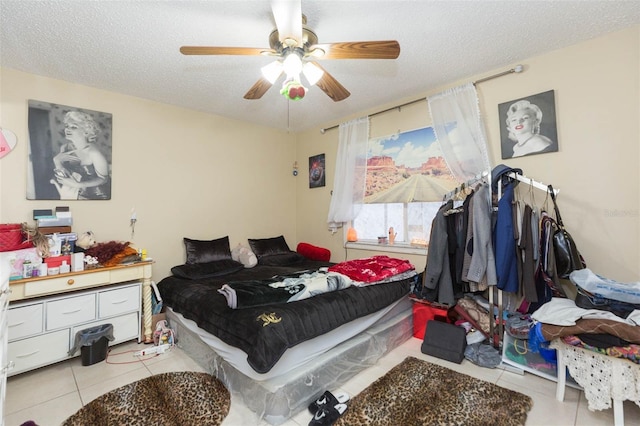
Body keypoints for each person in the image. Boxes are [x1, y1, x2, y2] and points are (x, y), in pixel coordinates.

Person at [50, 111, 110, 199]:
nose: (68, 129)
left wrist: (78, 185)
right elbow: (63, 178)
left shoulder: (94, 153)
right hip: (76, 194)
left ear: (85, 131)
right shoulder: (65, 148)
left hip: (97, 195)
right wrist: (57, 161)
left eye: (74, 127)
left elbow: (104, 179)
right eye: (67, 126)